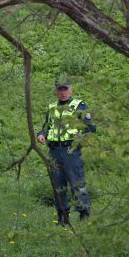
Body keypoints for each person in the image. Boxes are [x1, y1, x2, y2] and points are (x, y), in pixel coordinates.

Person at [36, 75, 96, 225]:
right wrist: (41, 134)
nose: (63, 92)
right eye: (60, 89)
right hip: (55, 151)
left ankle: (84, 214)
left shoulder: (79, 106)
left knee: (77, 183)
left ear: (71, 89)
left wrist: (81, 139)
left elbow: (90, 127)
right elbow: (46, 126)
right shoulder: (52, 107)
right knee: (58, 185)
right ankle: (63, 216)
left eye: (66, 89)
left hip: (72, 151)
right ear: (56, 91)